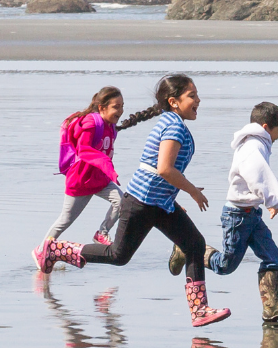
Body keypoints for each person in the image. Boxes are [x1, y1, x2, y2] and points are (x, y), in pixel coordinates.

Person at [35, 74, 230, 328]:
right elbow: (164, 169)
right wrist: (191, 190)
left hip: (160, 203)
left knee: (194, 243)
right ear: (173, 101)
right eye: (192, 96)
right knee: (118, 255)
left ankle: (199, 310)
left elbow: (162, 172)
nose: (198, 100)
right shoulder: (173, 126)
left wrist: (176, 193)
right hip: (142, 202)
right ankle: (57, 250)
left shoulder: (173, 122)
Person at [169, 102, 278, 322]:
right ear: (267, 127)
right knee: (225, 266)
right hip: (237, 216)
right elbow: (256, 174)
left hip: (252, 214)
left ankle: (272, 306)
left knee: (272, 257)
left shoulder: (257, 143)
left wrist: (267, 202)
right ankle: (187, 250)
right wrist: (273, 201)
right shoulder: (253, 147)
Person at [32, 87, 124, 270]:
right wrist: (107, 164)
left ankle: (102, 232)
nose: (120, 111)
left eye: (122, 106)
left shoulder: (110, 126)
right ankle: (41, 250)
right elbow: (83, 149)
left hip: (100, 179)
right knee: (65, 220)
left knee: (122, 201)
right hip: (81, 181)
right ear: (102, 108)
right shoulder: (91, 123)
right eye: (116, 107)